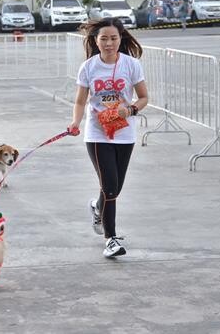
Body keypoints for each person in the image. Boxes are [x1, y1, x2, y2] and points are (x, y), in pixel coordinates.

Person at [67, 17, 148, 258]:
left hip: (124, 133)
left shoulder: (131, 65)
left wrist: (131, 109)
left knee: (114, 188)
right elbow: (81, 100)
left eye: (113, 38)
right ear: (95, 40)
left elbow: (143, 97)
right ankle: (111, 239)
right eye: (104, 39)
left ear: (120, 39)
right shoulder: (89, 67)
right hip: (97, 134)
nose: (109, 43)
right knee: (110, 186)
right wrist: (75, 122)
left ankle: (97, 206)